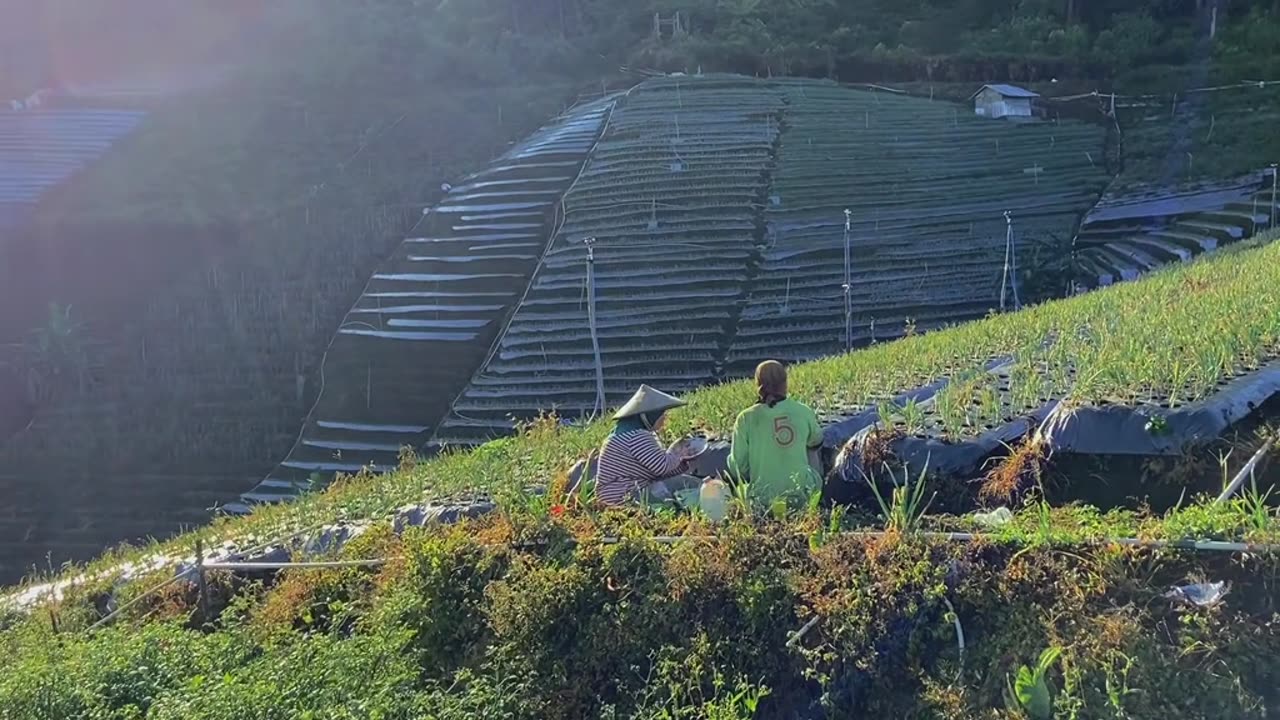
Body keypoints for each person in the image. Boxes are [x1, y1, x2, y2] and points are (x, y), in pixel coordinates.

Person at [729, 360, 823, 505]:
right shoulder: (803, 411)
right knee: (812, 448)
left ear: (757, 384)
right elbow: (816, 442)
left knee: (737, 482)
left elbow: (738, 468)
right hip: (802, 497)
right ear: (785, 383)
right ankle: (814, 499)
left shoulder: (745, 418)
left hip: (761, 501)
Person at [596, 385, 703, 506]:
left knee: (679, 482)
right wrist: (678, 450)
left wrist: (682, 464)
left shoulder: (622, 434)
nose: (664, 420)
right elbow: (661, 466)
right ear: (648, 416)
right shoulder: (637, 436)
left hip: (615, 495)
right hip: (626, 495)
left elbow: (655, 470)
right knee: (688, 484)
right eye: (662, 415)